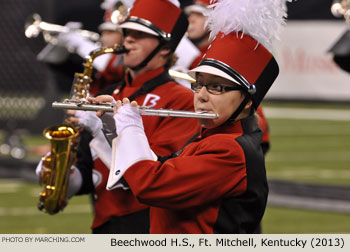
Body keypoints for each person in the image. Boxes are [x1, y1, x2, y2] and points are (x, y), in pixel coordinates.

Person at [93, 0, 287, 233]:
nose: (201, 96)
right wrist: (111, 127)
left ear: (247, 101)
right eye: (199, 84)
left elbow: (152, 184)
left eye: (217, 87)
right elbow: (154, 166)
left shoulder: (230, 151)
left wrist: (131, 129)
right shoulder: (210, 137)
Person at [66, 0, 201, 234]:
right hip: (103, 220)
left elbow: (157, 172)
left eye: (139, 34)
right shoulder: (107, 94)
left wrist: (101, 130)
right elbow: (92, 172)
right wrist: (66, 175)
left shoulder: (181, 100)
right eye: (127, 32)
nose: (127, 39)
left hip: (147, 222)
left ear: (165, 47)